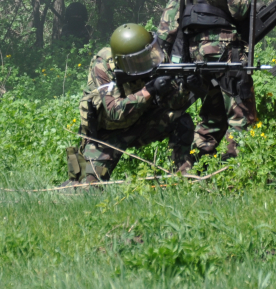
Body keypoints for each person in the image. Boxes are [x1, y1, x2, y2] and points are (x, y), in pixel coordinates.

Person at [157, 0, 256, 159]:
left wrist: (163, 47)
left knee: (213, 111)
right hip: (224, 47)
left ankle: (196, 161)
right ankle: (240, 167)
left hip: (194, 51)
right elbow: (240, 10)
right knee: (241, 109)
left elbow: (172, 12)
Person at [62, 23, 195, 187]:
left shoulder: (155, 57)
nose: (146, 60)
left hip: (143, 124)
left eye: (147, 54)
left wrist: (186, 87)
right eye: (139, 59)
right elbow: (113, 111)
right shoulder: (103, 66)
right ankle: (70, 184)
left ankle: (182, 179)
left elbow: (174, 105)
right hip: (107, 135)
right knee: (85, 188)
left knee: (182, 121)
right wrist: (149, 90)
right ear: (125, 61)